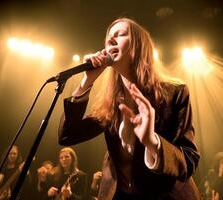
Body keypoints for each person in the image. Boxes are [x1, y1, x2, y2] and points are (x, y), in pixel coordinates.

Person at [58, 17, 201, 200]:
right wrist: (87, 81)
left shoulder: (175, 93)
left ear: (139, 46)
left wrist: (152, 141)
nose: (110, 40)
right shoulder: (110, 102)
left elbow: (188, 160)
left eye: (120, 34)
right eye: (109, 37)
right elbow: (68, 135)